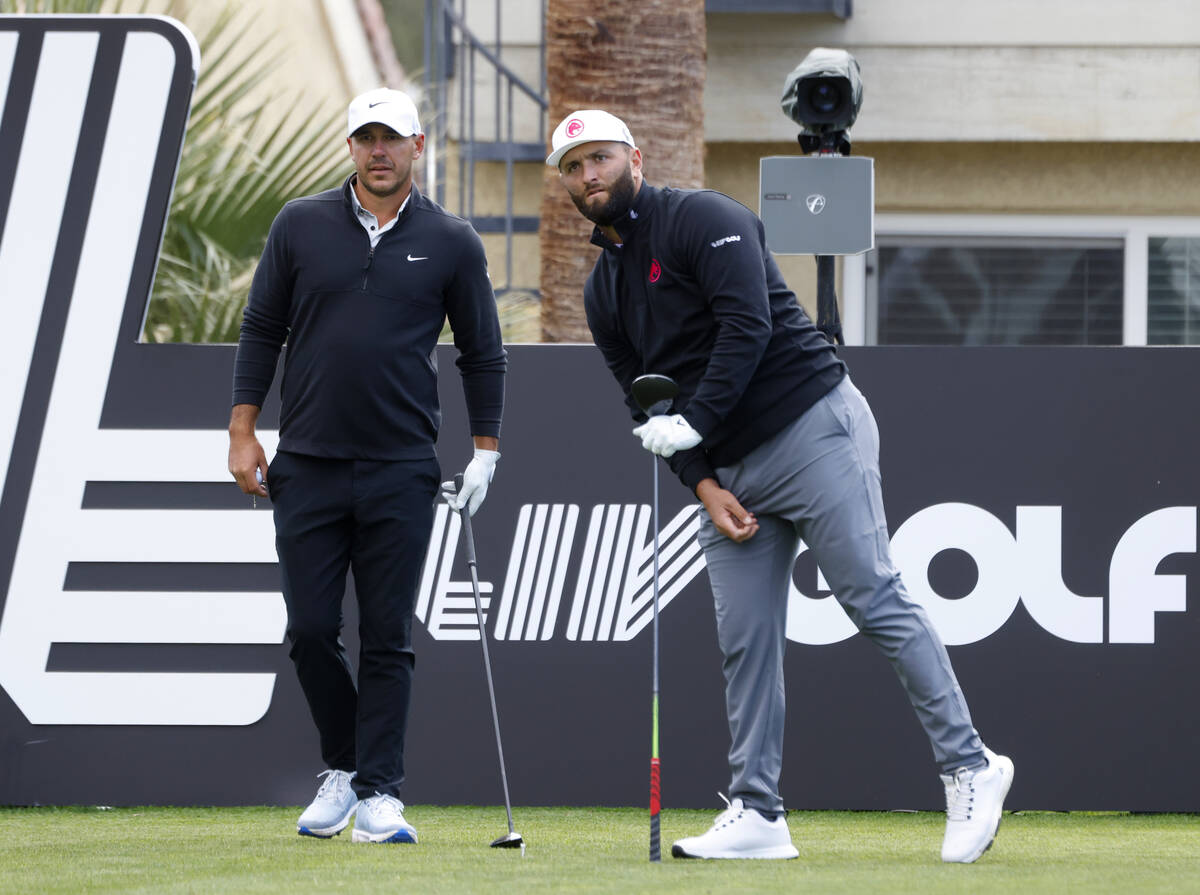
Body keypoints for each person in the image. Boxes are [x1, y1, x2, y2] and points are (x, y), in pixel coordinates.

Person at [547, 109, 1013, 863]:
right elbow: (644, 400)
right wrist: (700, 482)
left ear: (634, 156)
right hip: (727, 475)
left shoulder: (702, 217)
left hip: (810, 426)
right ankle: (759, 810)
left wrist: (693, 424)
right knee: (746, 641)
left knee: (873, 595)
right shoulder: (603, 290)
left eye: (598, 157)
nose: (587, 175)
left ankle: (971, 766)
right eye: (572, 167)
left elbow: (748, 326)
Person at [228, 88, 506, 844]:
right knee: (312, 629)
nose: (378, 150)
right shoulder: (300, 225)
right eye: (365, 137)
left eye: (391, 138)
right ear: (350, 146)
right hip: (308, 463)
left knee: (388, 635)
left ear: (417, 144)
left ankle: (380, 793)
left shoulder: (451, 240)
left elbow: (483, 351)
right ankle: (346, 767)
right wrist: (242, 430)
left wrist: (486, 449)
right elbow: (261, 328)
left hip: (401, 467)